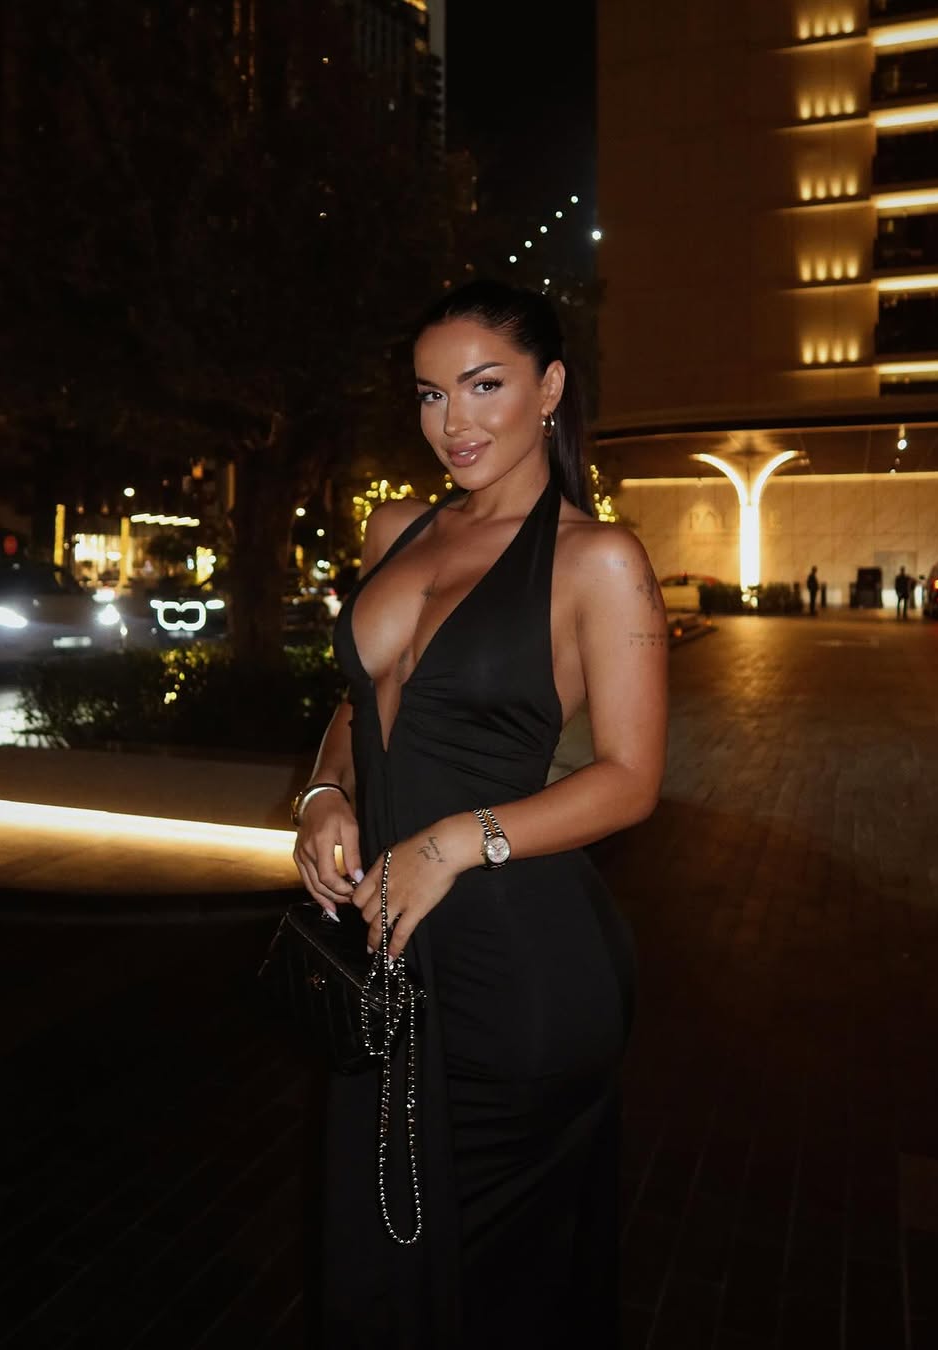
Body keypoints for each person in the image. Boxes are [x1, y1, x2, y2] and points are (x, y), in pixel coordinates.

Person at [292, 280, 668, 1349]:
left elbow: (631, 778)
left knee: (500, 1289)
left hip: (520, 966)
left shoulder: (599, 559)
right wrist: (324, 792)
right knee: (381, 1266)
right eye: (430, 394)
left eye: (484, 385)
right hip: (388, 954)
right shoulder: (396, 528)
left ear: (549, 389)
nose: (452, 421)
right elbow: (359, 705)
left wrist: (459, 842)